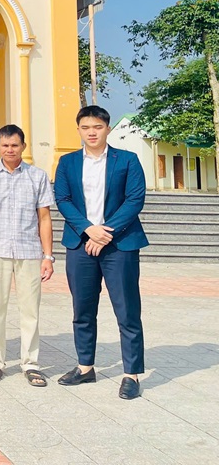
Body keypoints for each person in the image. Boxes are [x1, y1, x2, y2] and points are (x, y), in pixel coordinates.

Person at [54, 105, 148, 400]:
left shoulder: (128, 160)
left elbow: (135, 200)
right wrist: (87, 229)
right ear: (79, 130)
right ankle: (85, 367)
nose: (91, 132)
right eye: (85, 127)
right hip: (81, 244)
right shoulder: (67, 162)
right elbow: (63, 198)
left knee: (127, 310)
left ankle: (131, 374)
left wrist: (104, 232)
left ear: (107, 128)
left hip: (119, 244)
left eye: (97, 127)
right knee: (82, 310)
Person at [0, 124, 56, 387]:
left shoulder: (37, 176)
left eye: (15, 145)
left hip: (29, 251)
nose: (10, 150)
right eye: (5, 145)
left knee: (30, 310)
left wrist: (48, 255)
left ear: (23, 147)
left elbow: (44, 217)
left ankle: (30, 363)